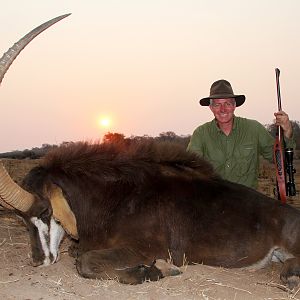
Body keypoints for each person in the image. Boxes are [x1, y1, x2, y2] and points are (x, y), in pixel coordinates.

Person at [187, 79, 295, 189]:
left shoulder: (254, 129)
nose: (222, 109)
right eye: (217, 105)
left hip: (248, 202)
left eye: (227, 104)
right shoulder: (200, 134)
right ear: (211, 108)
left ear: (234, 105)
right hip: (214, 202)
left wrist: (287, 132)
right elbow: (189, 169)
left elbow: (279, 160)